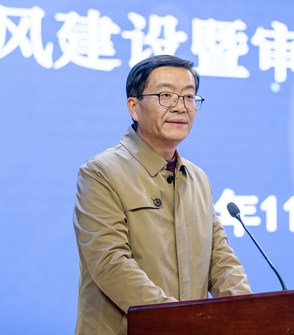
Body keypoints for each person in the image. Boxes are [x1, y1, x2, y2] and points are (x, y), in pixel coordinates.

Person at [73, 55, 252, 335]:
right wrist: (181, 321)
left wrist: (249, 316)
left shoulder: (198, 178)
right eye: (166, 95)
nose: (180, 107)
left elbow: (221, 261)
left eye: (189, 96)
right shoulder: (101, 172)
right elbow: (111, 264)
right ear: (134, 107)